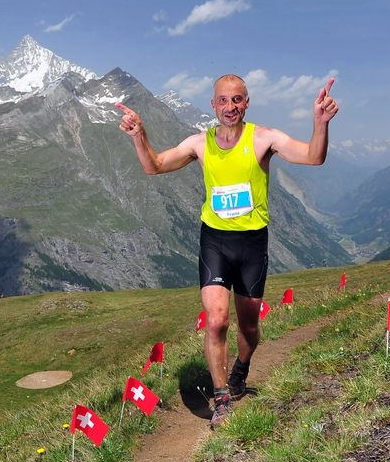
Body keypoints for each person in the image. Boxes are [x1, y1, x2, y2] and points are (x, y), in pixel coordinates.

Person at [116, 74, 338, 427]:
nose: (230, 107)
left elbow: (313, 157)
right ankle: (221, 400)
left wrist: (320, 122)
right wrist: (139, 136)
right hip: (215, 241)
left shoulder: (265, 138)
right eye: (223, 100)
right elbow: (153, 166)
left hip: (252, 244)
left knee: (249, 328)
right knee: (217, 320)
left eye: (237, 100)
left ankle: (241, 370)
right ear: (213, 105)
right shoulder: (199, 144)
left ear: (246, 103)